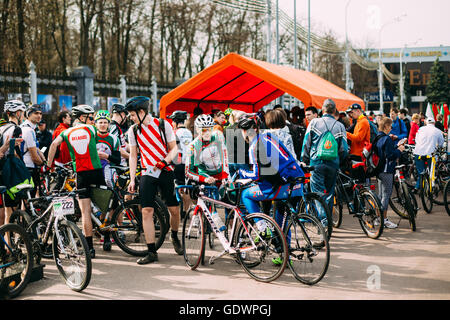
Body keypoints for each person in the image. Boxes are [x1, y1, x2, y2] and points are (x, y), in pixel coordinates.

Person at [126, 96, 182, 264]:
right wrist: (132, 179)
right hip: (147, 172)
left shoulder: (162, 125)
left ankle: (173, 235)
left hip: (165, 171)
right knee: (146, 211)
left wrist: (164, 161)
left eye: (133, 115)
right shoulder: (133, 131)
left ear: (141, 112)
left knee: (174, 210)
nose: (131, 118)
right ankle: (152, 252)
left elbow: (174, 150)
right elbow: (134, 155)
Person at [237, 113, 304, 253]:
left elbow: (256, 175)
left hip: (281, 186)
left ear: (250, 130)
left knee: (246, 195)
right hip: (296, 181)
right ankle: (285, 256)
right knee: (282, 226)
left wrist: (241, 173)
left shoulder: (254, 146)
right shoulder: (270, 137)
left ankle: (263, 228)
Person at [47, 104, 104, 258]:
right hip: (97, 171)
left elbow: (53, 145)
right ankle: (108, 237)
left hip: (82, 174)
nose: (92, 120)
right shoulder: (91, 129)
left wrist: (49, 165)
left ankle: (90, 249)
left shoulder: (66, 132)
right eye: (90, 117)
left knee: (85, 212)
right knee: (105, 204)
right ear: (82, 117)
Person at [301, 99, 349, 225]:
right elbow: (344, 149)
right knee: (329, 192)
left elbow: (306, 144)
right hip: (333, 164)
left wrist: (304, 160)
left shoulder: (314, 123)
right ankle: (327, 218)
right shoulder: (340, 126)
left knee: (318, 193)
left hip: (316, 163)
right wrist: (340, 162)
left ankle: (323, 221)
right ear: (334, 111)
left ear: (322, 110)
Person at [94, 110, 121, 251]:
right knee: (96, 204)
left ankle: (107, 236)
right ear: (96, 124)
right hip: (93, 172)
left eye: (105, 122)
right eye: (100, 122)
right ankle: (99, 231)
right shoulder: (92, 137)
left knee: (110, 204)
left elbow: (117, 158)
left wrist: (106, 156)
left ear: (109, 124)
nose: (103, 125)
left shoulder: (113, 139)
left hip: (108, 173)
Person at [374, 117, 405, 229]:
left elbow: (384, 151)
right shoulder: (386, 138)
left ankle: (378, 218)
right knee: (386, 195)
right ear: (386, 126)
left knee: (381, 195)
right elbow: (390, 156)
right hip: (387, 170)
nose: (392, 128)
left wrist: (395, 145)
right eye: (391, 126)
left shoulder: (379, 136)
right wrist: (399, 150)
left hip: (379, 169)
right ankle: (384, 219)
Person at [0, 100, 26, 225]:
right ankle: (13, 239)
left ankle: (7, 242)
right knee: (13, 208)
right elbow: (16, 153)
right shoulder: (16, 129)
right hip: (11, 173)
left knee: (5, 211)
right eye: (22, 113)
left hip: (2, 170)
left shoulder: (1, 128)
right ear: (17, 113)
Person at [185, 114, 229, 186]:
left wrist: (226, 175)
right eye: (204, 130)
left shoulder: (218, 136)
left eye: (210, 129)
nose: (207, 133)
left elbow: (225, 157)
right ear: (197, 129)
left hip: (222, 173)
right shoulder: (192, 146)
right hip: (206, 176)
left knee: (232, 193)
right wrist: (204, 179)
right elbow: (188, 172)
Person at [412, 117, 445, 193]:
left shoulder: (420, 129)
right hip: (430, 154)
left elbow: (416, 140)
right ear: (434, 123)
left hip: (418, 152)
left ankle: (417, 187)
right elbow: (441, 143)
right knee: (431, 171)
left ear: (426, 123)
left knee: (421, 172)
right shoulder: (437, 131)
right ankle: (431, 186)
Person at [20, 104, 46, 197]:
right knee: (29, 198)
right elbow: (34, 157)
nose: (39, 116)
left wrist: (43, 158)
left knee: (26, 198)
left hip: (23, 167)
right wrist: (43, 165)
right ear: (28, 115)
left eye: (40, 113)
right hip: (29, 168)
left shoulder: (24, 127)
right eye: (36, 113)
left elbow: (35, 148)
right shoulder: (29, 131)